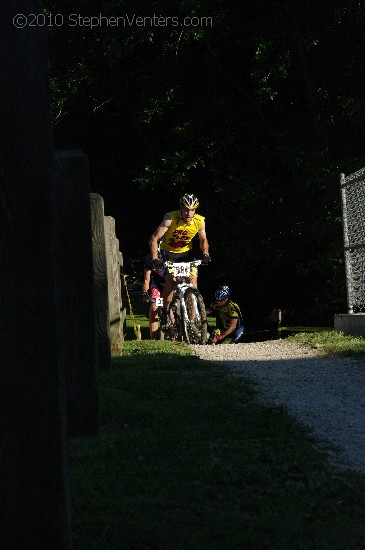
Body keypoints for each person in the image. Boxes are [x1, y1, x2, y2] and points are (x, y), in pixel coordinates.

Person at [149, 193, 211, 328]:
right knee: (170, 281)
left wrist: (205, 253)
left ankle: (192, 319)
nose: (189, 213)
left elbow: (203, 240)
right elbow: (154, 238)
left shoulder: (199, 221)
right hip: (169, 253)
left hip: (187, 254)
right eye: (186, 210)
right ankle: (165, 312)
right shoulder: (170, 218)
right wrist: (155, 258)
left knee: (193, 280)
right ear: (181, 209)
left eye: (192, 210)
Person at [142, 250, 165, 339]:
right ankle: (153, 338)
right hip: (157, 285)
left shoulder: (172, 255)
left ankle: (173, 337)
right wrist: (145, 293)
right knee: (154, 307)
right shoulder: (149, 259)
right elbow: (146, 279)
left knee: (171, 309)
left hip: (171, 284)